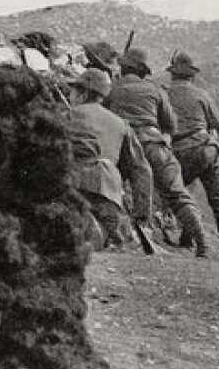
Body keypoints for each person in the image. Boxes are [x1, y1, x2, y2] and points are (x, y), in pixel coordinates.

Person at [105, 47, 208, 256]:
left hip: (122, 146)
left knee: (113, 189)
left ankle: (127, 236)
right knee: (177, 194)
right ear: (143, 71)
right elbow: (171, 125)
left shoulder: (112, 89)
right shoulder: (156, 90)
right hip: (154, 143)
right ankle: (202, 244)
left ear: (123, 68)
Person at [62, 68, 154, 249]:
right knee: (114, 231)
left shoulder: (64, 117)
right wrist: (142, 214)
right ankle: (104, 233)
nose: (70, 95)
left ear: (83, 94)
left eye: (72, 90)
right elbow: (140, 169)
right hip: (106, 191)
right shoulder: (121, 124)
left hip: (70, 187)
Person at [164, 51, 219, 261]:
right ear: (192, 75)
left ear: (172, 73)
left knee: (178, 193)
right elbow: (217, 124)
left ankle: (189, 238)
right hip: (207, 148)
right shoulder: (202, 95)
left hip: (179, 151)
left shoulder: (164, 93)